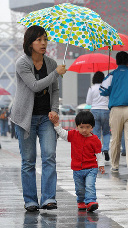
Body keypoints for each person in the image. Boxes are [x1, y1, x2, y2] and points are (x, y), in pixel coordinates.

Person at [10, 25, 67, 212]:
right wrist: (55, 74)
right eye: (39, 40)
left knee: (49, 156)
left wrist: (54, 109)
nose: (43, 43)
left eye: (45, 39)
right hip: (25, 118)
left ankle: (49, 198)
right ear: (30, 43)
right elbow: (35, 86)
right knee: (28, 160)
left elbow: (55, 90)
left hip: (46, 118)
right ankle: (30, 200)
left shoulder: (51, 63)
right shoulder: (22, 63)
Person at [49, 111, 105, 212]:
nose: (84, 130)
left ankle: (91, 201)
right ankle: (81, 201)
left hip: (91, 168)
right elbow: (63, 134)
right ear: (77, 126)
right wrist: (56, 124)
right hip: (77, 169)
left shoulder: (95, 139)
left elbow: (98, 153)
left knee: (89, 185)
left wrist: (101, 165)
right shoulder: (73, 135)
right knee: (79, 189)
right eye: (81, 127)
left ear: (92, 127)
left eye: (88, 127)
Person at [86, 71, 111, 161]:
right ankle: (106, 149)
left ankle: (97, 151)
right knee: (106, 132)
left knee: (96, 133)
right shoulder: (107, 87)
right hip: (106, 110)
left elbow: (88, 102)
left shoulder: (91, 88)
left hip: (95, 111)